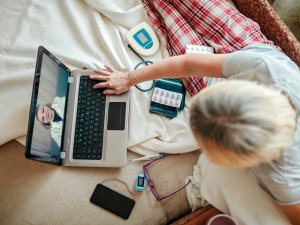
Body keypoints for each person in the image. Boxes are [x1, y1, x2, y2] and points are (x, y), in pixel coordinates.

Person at [89, 0, 300, 223]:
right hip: (247, 48)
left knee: (160, 10)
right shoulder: (266, 68)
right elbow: (189, 64)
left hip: (221, 82)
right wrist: (129, 78)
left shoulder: (280, 177)